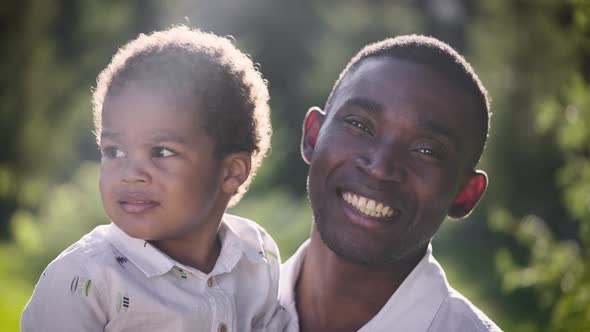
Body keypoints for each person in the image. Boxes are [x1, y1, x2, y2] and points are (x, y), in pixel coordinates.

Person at [21, 25, 287, 332]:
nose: (131, 174)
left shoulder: (255, 255)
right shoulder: (85, 279)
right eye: (115, 151)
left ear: (231, 172)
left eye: (161, 152)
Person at [279, 35, 502, 331]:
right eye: (359, 125)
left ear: (465, 194)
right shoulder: (228, 307)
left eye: (427, 151)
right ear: (313, 136)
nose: (380, 167)